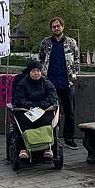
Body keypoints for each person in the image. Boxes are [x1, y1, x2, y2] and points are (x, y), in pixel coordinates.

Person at [38, 17, 80, 149]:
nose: (56, 28)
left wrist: (74, 74)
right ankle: (52, 138)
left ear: (63, 27)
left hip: (66, 83)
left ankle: (69, 138)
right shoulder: (45, 42)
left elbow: (77, 59)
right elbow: (40, 58)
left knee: (69, 112)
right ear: (51, 28)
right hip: (49, 83)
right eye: (54, 26)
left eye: (58, 26)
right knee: (50, 112)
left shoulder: (71, 42)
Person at [12, 60, 58, 159]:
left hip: (43, 109)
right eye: (33, 71)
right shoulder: (22, 84)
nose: (36, 73)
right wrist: (30, 106)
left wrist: (41, 106)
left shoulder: (46, 83)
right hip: (27, 109)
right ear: (29, 72)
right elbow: (19, 99)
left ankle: (48, 148)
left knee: (47, 119)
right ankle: (24, 148)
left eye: (38, 71)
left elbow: (52, 98)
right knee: (23, 120)